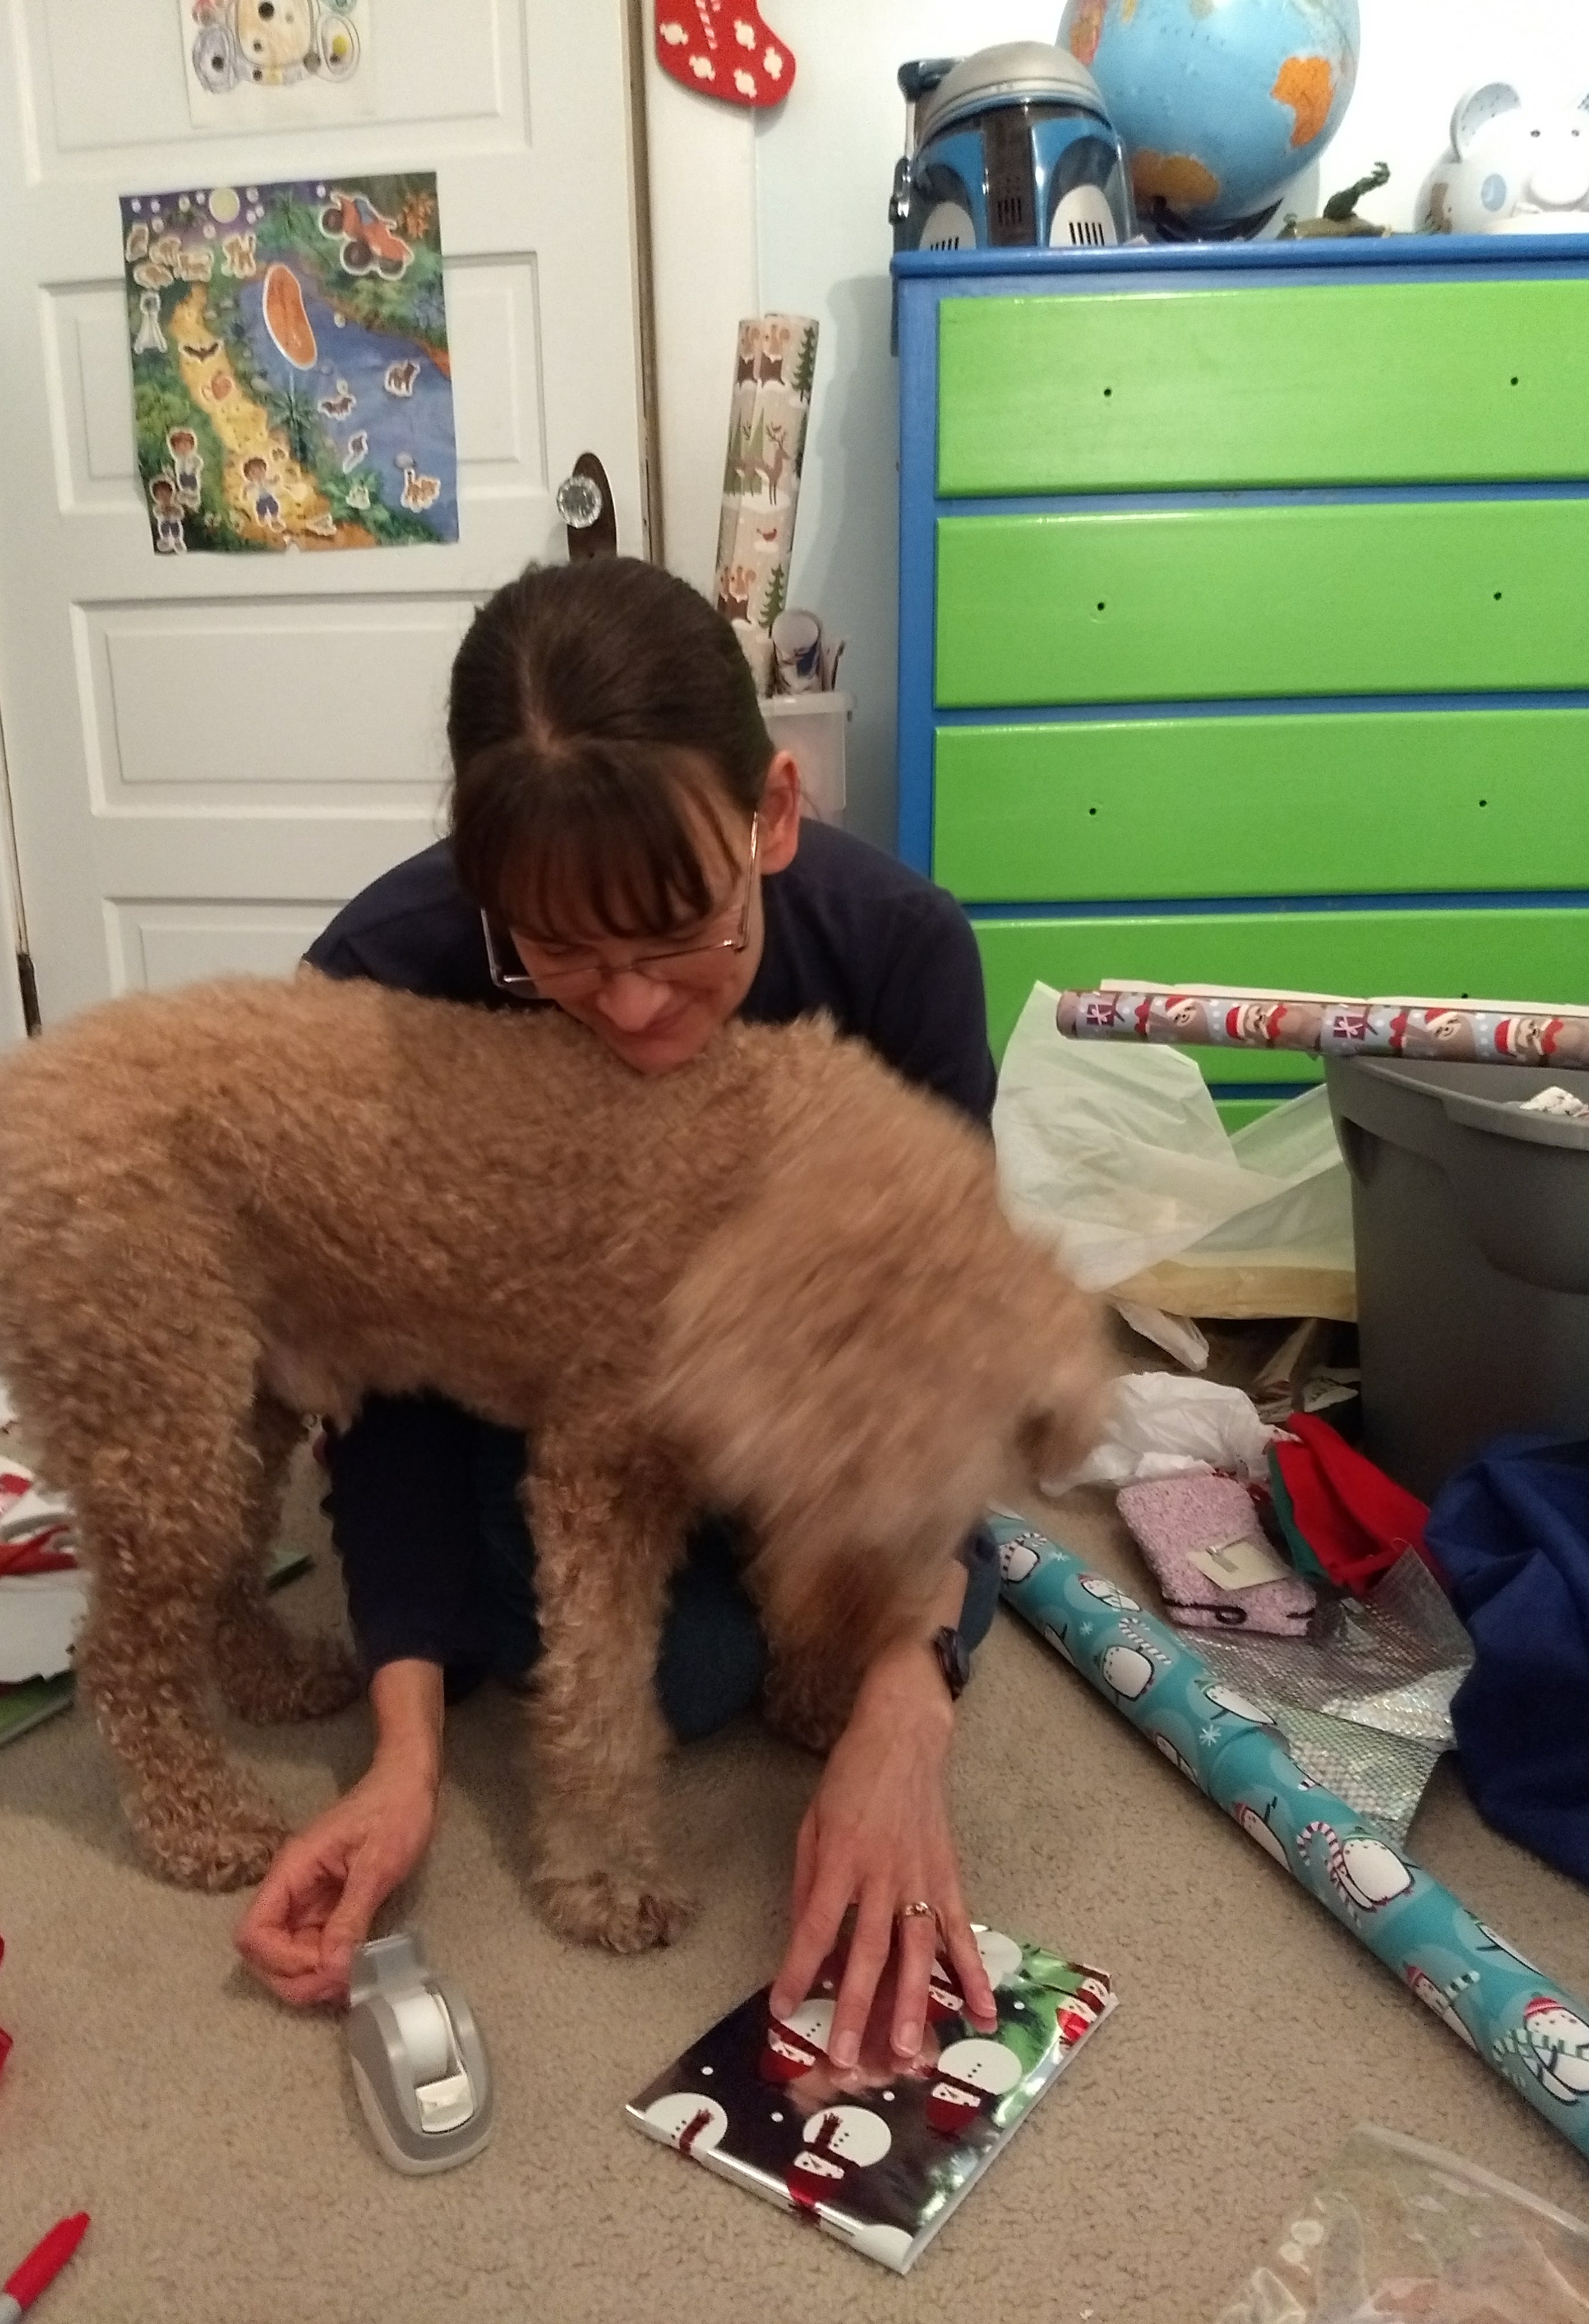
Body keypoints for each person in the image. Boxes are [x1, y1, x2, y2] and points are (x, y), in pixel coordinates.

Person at [235, 556, 1004, 2066]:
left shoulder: (901, 952)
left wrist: (906, 1713)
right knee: (693, 1678)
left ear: (774, 814)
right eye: (563, 959)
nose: (637, 1008)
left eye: (680, 940)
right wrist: (405, 1754)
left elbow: (936, 1349)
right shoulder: (386, 985)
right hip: (526, 1416)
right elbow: (377, 1395)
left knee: (859, 1638)